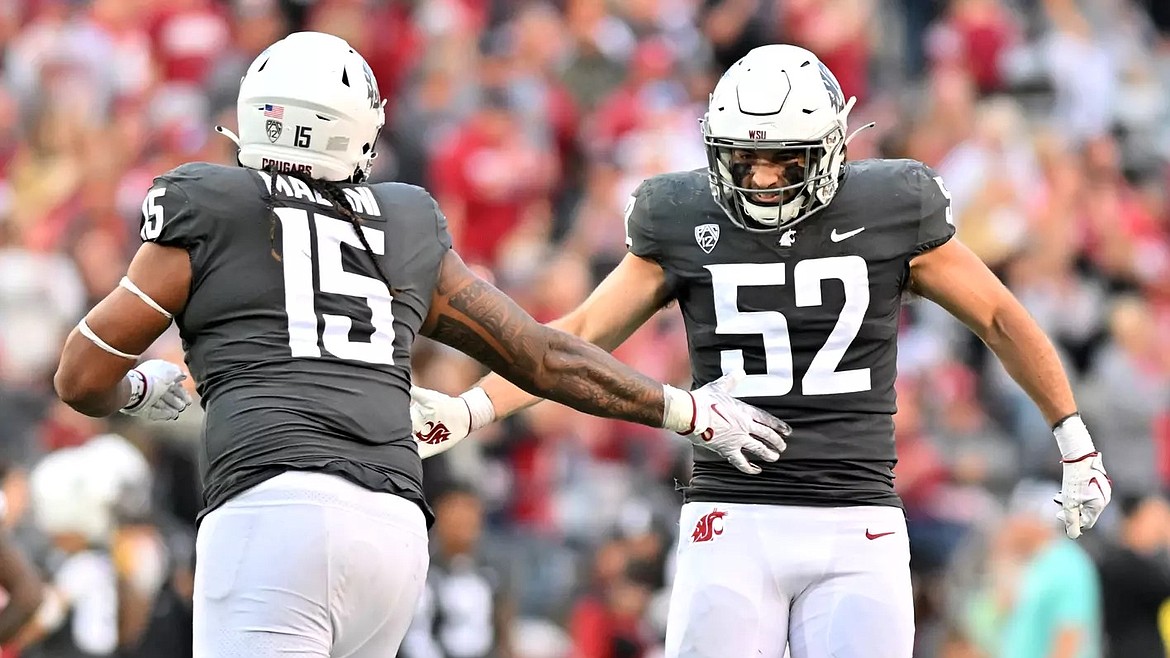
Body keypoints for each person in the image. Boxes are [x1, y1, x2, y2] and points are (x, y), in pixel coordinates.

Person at [51, 32, 789, 658]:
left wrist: (138, 390)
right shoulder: (404, 224)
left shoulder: (209, 204)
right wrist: (683, 409)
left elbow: (80, 376)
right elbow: (539, 355)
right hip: (393, 526)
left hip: (268, 507)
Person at [409, 44, 1113, 658]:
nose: (763, 180)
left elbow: (997, 314)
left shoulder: (895, 205)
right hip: (732, 515)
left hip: (855, 516)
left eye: (785, 160)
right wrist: (473, 408)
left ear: (835, 146)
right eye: (743, 160)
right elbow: (579, 333)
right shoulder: (680, 214)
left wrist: (1073, 434)